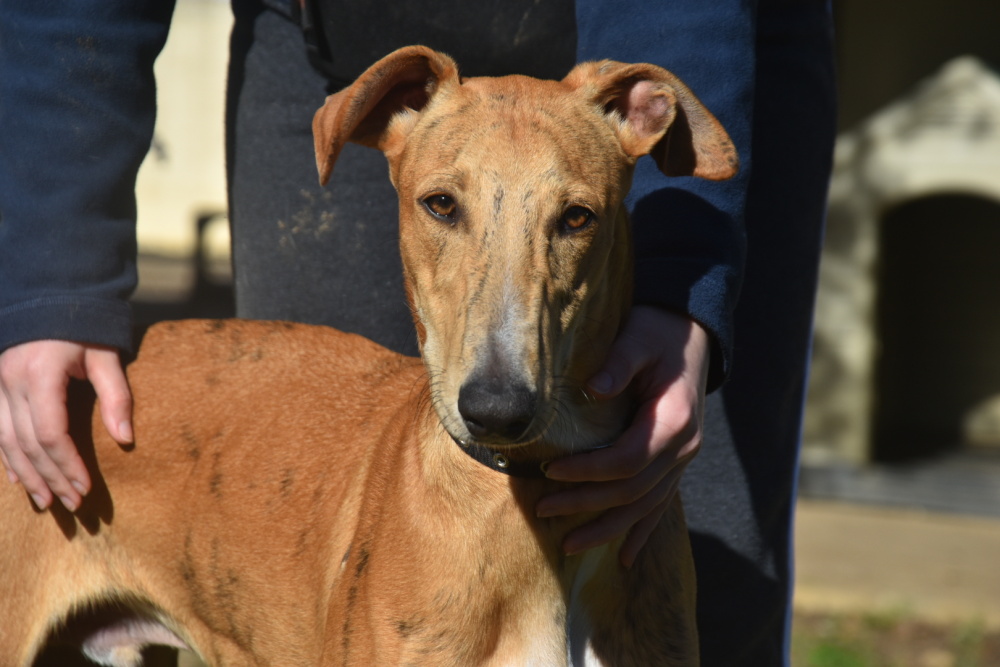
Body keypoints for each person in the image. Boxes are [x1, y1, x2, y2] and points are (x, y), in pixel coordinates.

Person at [0, 0, 835, 663]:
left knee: (725, 602)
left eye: (573, 217)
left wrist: (683, 285)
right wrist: (48, 281)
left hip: (685, 23)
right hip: (332, 30)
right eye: (443, 206)